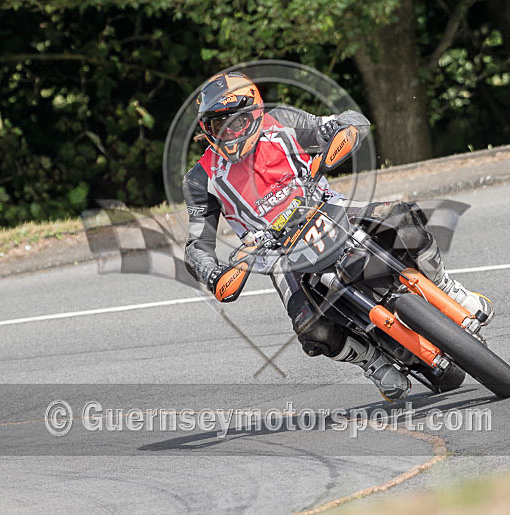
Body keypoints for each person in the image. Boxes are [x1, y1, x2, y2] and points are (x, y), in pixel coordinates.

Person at [183, 72, 493, 400]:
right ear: (208, 130)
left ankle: (448, 289)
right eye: (219, 127)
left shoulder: (282, 122)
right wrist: (212, 272)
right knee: (310, 329)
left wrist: (343, 132)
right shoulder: (200, 178)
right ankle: (371, 361)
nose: (229, 134)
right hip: (280, 257)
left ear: (256, 113)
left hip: (331, 211)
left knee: (403, 220)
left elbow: (348, 123)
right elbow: (196, 245)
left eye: (237, 123)